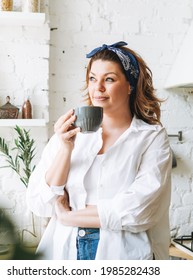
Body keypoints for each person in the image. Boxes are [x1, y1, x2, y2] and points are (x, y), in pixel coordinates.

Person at [26, 41, 172, 260]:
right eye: (93, 78)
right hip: (65, 252)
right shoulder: (69, 133)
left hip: (122, 256)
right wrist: (65, 149)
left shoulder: (150, 137)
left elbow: (139, 211)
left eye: (109, 79)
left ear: (130, 85)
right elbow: (38, 201)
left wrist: (67, 216)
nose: (98, 88)